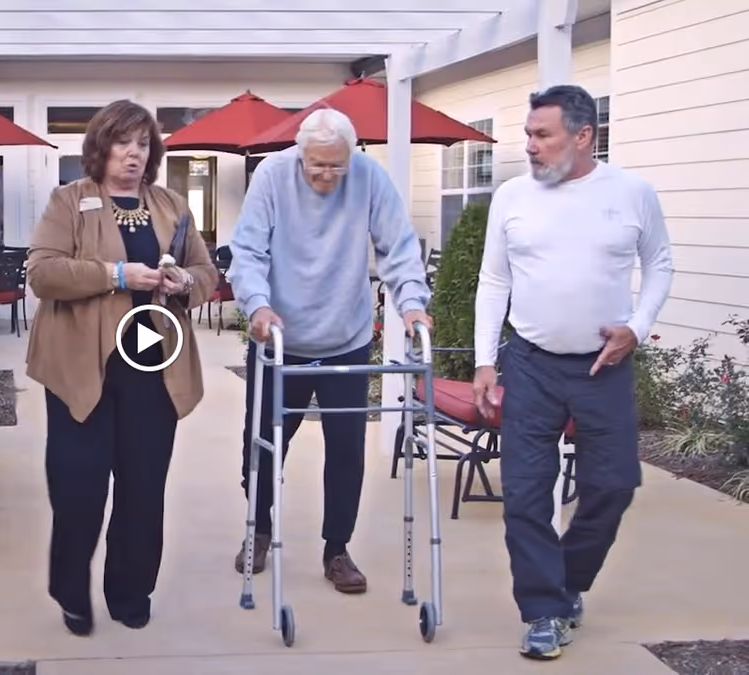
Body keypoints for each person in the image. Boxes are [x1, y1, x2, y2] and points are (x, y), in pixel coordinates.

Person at [472, 84, 673, 660]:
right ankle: (544, 611)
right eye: (528, 135)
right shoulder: (513, 196)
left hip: (603, 367)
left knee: (612, 486)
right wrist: (487, 359)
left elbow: (658, 262)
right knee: (525, 496)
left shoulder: (632, 193)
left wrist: (637, 324)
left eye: (542, 135)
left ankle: (567, 581)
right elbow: (495, 281)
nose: (530, 146)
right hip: (531, 363)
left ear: (583, 136)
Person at [25, 99, 218, 637]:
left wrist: (185, 283)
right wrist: (115, 274)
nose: (134, 153)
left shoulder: (172, 204)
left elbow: (206, 272)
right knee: (78, 489)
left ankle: (131, 592)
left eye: (143, 144)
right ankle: (71, 593)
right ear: (101, 146)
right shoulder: (69, 200)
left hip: (151, 368)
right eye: (123, 142)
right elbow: (43, 274)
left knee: (142, 490)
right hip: (81, 370)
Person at [226, 108, 433, 595]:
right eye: (315, 164)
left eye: (334, 166)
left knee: (346, 452)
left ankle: (336, 549)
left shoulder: (367, 177)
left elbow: (398, 246)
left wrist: (413, 304)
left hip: (346, 336)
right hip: (280, 339)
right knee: (261, 447)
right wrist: (256, 305)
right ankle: (258, 528)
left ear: (350, 155)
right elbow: (248, 251)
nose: (324, 174)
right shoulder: (274, 176)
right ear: (300, 153)